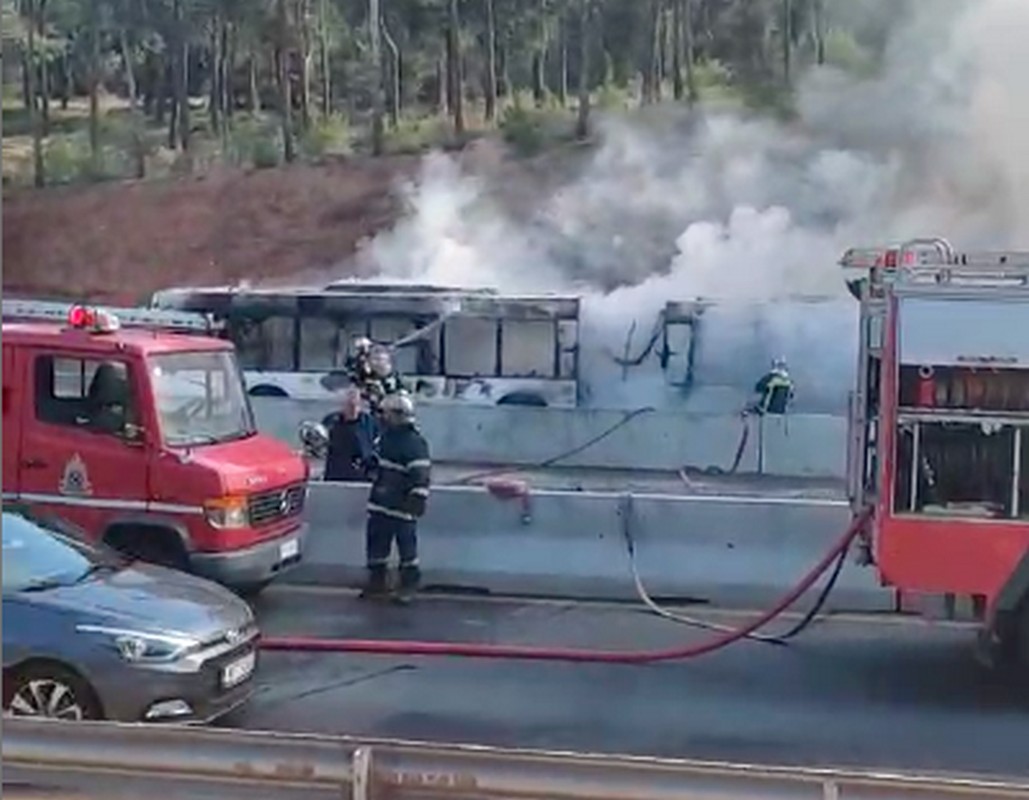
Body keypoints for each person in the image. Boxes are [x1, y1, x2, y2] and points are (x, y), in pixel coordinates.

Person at [361, 391, 431, 605]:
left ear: (399, 415)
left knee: (407, 549)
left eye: (387, 413)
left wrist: (417, 500)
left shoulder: (414, 442)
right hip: (380, 504)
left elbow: (421, 476)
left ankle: (409, 585)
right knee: (376, 546)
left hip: (402, 506)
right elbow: (378, 466)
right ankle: (377, 583)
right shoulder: (384, 438)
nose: (383, 417)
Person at [321, 388, 379, 482]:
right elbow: (320, 445)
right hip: (336, 472)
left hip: (362, 473)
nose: (353, 409)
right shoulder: (331, 421)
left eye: (356, 404)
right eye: (349, 405)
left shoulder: (369, 422)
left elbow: (377, 444)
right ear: (342, 405)